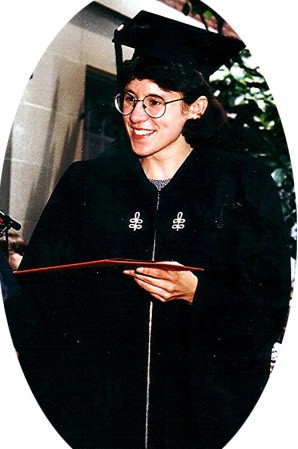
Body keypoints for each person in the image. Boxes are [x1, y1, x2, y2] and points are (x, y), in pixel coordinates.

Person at [4, 10, 291, 449]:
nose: (138, 115)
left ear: (194, 108)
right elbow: (42, 293)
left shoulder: (239, 182)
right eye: (130, 99)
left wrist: (199, 292)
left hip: (201, 408)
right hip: (97, 405)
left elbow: (271, 298)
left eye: (156, 102)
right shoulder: (87, 183)